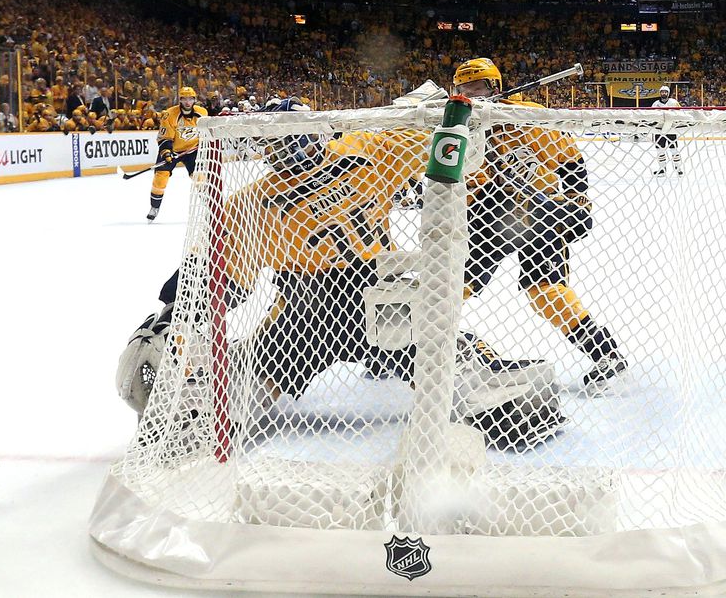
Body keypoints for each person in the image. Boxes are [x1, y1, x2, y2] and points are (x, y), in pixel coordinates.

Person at [116, 98, 563, 452]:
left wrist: (177, 311)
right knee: (454, 367)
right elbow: (449, 143)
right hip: (375, 307)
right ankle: (487, 386)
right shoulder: (365, 152)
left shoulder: (252, 201)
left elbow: (219, 286)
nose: (282, 149)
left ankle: (195, 417)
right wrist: (452, 113)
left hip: (308, 317)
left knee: (228, 397)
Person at [452, 58, 628, 395]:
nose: (472, 95)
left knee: (545, 293)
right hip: (488, 215)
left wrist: (577, 199)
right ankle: (415, 348)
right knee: (455, 285)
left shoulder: (527, 116)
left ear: (496, 87)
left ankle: (606, 355)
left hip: (541, 213)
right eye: (465, 90)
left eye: (478, 89)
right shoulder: (461, 124)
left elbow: (569, 158)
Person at [146, 86, 206, 222]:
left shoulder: (202, 113)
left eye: (190, 99)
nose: (187, 102)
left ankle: (210, 207)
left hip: (192, 150)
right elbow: (164, 137)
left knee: (200, 178)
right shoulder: (170, 114)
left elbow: (206, 133)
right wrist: (167, 152)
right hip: (173, 150)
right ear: (180, 100)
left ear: (194, 100)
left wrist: (202, 146)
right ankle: (154, 207)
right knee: (160, 177)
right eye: (184, 99)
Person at [650, 84, 682, 176]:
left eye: (665, 92)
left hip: (671, 129)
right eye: (662, 92)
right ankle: (662, 169)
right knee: (660, 150)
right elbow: (652, 116)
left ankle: (678, 168)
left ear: (668, 93)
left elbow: (680, 113)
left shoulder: (674, 102)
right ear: (660, 93)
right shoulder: (655, 104)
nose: (664, 93)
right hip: (659, 129)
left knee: (674, 149)